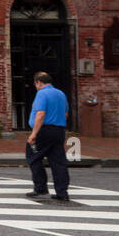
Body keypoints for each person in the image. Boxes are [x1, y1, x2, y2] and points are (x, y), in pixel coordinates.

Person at [26, 71, 70, 202]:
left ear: (38, 82)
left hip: (43, 132)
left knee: (33, 156)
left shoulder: (42, 93)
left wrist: (34, 133)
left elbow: (40, 114)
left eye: (35, 84)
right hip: (59, 131)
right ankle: (62, 193)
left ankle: (40, 188)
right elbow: (66, 113)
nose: (35, 86)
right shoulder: (61, 94)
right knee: (58, 162)